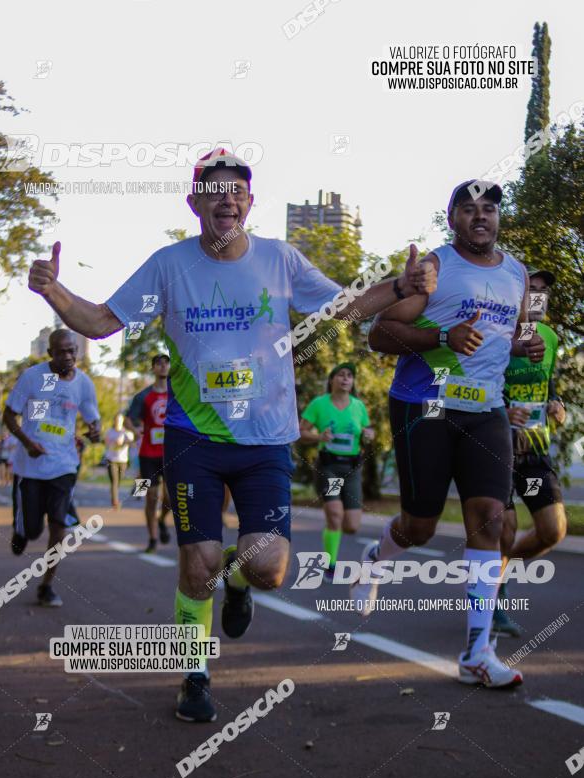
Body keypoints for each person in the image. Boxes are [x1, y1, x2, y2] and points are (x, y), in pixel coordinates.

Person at [27, 148, 436, 720]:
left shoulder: (280, 261)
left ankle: (238, 583)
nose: (228, 199)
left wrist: (398, 285)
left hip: (266, 440)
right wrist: (54, 292)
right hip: (193, 438)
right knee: (197, 563)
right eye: (215, 190)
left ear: (248, 202)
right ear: (194, 202)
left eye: (238, 190)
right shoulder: (168, 267)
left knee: (269, 568)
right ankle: (195, 675)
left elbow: (345, 308)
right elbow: (100, 322)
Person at [366, 179, 545, 689]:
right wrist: (442, 335)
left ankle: (476, 651)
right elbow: (379, 333)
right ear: (453, 219)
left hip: (487, 410)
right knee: (419, 527)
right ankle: (377, 558)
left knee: (488, 519)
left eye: (489, 209)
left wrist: (521, 347)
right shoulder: (436, 269)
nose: (481, 217)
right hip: (426, 404)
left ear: (498, 219)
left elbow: (505, 337)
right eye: (469, 210)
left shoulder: (517, 275)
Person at [3, 329, 100, 607]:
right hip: (31, 465)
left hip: (64, 464)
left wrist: (95, 431)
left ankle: (46, 586)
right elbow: (9, 414)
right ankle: (22, 529)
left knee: (60, 528)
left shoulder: (84, 383)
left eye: (73, 351)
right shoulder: (32, 377)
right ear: (50, 354)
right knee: (33, 531)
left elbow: (93, 418)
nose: (68, 357)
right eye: (62, 352)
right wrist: (27, 442)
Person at [494, 268, 567, 636]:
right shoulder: (500, 336)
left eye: (542, 292)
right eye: (530, 291)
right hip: (498, 445)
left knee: (552, 531)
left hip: (536, 448)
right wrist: (502, 410)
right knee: (504, 528)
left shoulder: (551, 338)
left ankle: (498, 572)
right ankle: (494, 598)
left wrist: (556, 403)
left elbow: (548, 383)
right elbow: (475, 382)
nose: (536, 298)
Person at [299, 362, 374, 581]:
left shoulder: (358, 406)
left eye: (349, 376)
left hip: (351, 468)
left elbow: (368, 432)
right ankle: (330, 564)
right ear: (332, 379)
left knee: (351, 525)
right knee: (335, 515)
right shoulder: (319, 404)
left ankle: (334, 531)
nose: (345, 379)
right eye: (340, 375)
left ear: (353, 382)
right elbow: (301, 432)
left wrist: (369, 436)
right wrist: (319, 437)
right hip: (329, 467)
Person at [125, 354, 171, 551]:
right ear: (153, 368)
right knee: (151, 497)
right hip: (148, 454)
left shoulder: (177, 394)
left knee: (170, 499)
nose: (162, 367)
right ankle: (152, 538)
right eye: (158, 364)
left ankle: (162, 520)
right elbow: (128, 419)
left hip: (171, 453)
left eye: (165, 363)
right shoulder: (143, 396)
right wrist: (135, 430)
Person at [104, 413, 135, 510]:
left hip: (122, 461)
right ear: (114, 421)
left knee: (119, 481)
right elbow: (106, 443)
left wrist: (124, 442)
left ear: (122, 421)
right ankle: (115, 502)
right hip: (111, 460)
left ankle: (114, 493)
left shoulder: (127, 433)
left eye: (120, 420)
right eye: (116, 420)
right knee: (114, 481)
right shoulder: (110, 431)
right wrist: (115, 443)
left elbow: (132, 443)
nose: (118, 422)